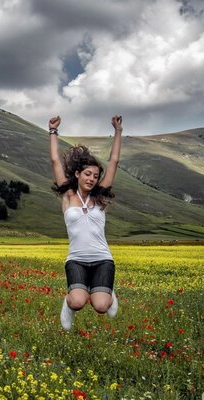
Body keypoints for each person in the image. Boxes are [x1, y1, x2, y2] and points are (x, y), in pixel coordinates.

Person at [48, 115, 123, 330]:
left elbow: (114, 161)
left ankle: (108, 293)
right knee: (78, 301)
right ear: (78, 174)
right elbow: (54, 161)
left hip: (102, 260)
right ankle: (69, 302)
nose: (91, 178)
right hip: (77, 260)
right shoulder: (68, 195)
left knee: (101, 307)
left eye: (95, 176)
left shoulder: (100, 197)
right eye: (88, 174)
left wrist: (118, 131)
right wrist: (52, 131)